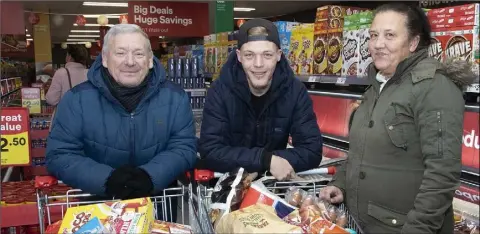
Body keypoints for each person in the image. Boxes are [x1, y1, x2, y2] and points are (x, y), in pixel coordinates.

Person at [320, 3, 474, 233]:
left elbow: (442, 175)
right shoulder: (377, 86)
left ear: (413, 42)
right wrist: (341, 183)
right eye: (373, 35)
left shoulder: (434, 87)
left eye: (389, 35)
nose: (378, 44)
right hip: (361, 224)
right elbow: (360, 152)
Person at [46, 24, 197, 217]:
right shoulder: (77, 100)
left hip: (159, 206)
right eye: (120, 53)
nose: (130, 61)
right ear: (105, 59)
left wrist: (151, 176)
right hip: (96, 208)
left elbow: (184, 147)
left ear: (150, 60)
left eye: (139, 54)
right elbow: (59, 155)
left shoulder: (175, 98)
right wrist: (106, 179)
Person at [198, 19, 323, 180]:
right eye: (249, 55)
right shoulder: (220, 91)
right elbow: (210, 151)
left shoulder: (295, 92)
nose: (258, 64)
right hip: (225, 189)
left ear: (278, 55)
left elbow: (312, 150)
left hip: (273, 188)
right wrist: (266, 160)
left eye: (267, 55)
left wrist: (264, 163)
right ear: (239, 57)